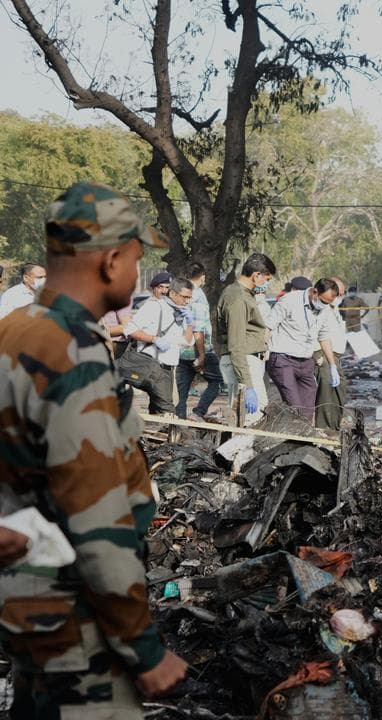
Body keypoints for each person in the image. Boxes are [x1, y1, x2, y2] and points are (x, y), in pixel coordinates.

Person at [0, 181, 187, 715]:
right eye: (135, 257)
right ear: (110, 260)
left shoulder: (15, 330)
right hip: (77, 624)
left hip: (24, 608)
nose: (135, 271)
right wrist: (146, 651)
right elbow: (99, 522)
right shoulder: (74, 354)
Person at [216, 253, 276, 425]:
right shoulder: (238, 298)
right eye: (267, 279)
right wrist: (248, 386)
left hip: (247, 361)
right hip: (243, 362)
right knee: (250, 417)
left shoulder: (243, 294)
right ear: (257, 275)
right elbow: (236, 344)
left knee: (249, 414)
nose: (267, 283)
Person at [267, 277, 338, 422]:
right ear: (314, 292)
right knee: (295, 407)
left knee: (307, 409)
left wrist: (332, 365)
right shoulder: (290, 301)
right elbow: (268, 327)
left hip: (305, 361)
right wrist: (260, 354)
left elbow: (324, 338)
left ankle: (301, 440)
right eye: (323, 301)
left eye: (328, 303)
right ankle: (292, 438)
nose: (324, 305)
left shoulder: (324, 309)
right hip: (283, 359)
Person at [124, 274, 195, 415]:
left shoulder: (180, 312)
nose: (187, 301)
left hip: (168, 370)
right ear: (173, 293)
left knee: (159, 413)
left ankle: (151, 435)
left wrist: (190, 323)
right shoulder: (154, 307)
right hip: (153, 367)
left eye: (189, 298)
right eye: (185, 297)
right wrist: (154, 339)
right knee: (168, 412)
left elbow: (187, 342)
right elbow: (129, 330)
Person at [175, 261, 223, 421]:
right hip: (198, 350)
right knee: (217, 381)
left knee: (181, 391)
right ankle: (198, 412)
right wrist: (202, 355)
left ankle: (178, 421)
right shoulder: (198, 297)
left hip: (181, 350)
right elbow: (197, 330)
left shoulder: (181, 294)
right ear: (202, 277)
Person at [315, 277, 349, 431]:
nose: (339, 298)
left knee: (339, 392)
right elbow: (319, 334)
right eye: (337, 294)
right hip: (324, 356)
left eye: (341, 294)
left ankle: (333, 426)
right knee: (327, 396)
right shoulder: (321, 309)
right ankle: (325, 429)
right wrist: (319, 355)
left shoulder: (334, 310)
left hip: (335, 357)